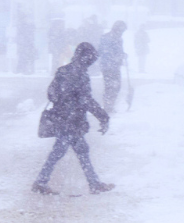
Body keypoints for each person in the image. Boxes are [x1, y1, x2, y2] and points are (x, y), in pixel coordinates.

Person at [32, 42, 114, 195]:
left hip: (64, 118)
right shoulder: (80, 75)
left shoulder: (63, 71)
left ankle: (93, 183)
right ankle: (41, 182)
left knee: (80, 150)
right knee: (60, 151)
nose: (91, 63)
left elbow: (51, 93)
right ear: (84, 57)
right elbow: (86, 100)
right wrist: (102, 116)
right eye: (90, 59)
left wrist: (63, 103)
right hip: (72, 120)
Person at [98, 20, 127, 111]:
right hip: (107, 66)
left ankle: (110, 104)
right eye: (121, 31)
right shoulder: (106, 38)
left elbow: (118, 50)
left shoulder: (119, 38)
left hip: (115, 66)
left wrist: (122, 54)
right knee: (110, 86)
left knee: (117, 86)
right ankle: (108, 105)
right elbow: (104, 52)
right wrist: (117, 57)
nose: (122, 33)